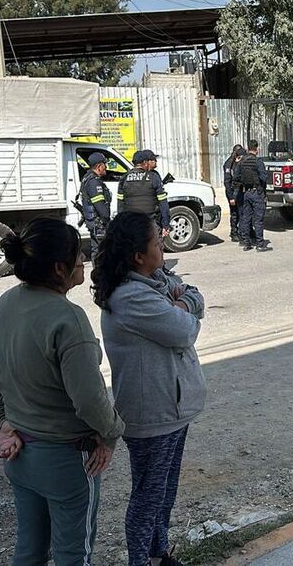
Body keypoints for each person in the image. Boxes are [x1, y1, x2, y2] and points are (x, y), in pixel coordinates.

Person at [0, 218, 124, 566]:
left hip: (20, 458)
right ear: (59, 268)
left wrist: (2, 423)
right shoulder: (68, 319)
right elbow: (89, 400)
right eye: (78, 253)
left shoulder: (4, 304)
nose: (84, 258)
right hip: (67, 462)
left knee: (29, 552)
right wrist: (113, 433)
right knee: (74, 556)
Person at [93, 212, 206, 566]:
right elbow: (185, 330)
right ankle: (141, 560)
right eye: (157, 242)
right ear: (138, 255)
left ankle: (159, 554)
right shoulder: (131, 297)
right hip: (152, 415)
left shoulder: (154, 279)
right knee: (147, 497)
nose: (163, 244)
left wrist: (182, 302)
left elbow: (195, 296)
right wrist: (183, 307)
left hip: (171, 408)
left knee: (164, 493)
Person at [119, 149, 171, 237]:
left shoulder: (124, 178)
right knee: (153, 249)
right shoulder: (153, 177)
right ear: (145, 162)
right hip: (150, 223)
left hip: (131, 224)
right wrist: (166, 224)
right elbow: (163, 203)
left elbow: (120, 205)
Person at [237, 139, 271, 252]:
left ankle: (247, 243)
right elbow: (264, 178)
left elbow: (237, 177)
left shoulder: (241, 161)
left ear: (247, 148)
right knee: (258, 220)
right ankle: (260, 244)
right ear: (257, 149)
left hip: (246, 193)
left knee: (246, 218)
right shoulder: (258, 162)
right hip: (257, 193)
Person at [80, 152, 111, 260]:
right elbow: (100, 206)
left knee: (96, 250)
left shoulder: (87, 177)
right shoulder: (94, 182)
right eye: (104, 164)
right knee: (103, 252)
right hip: (99, 224)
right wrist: (108, 221)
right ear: (99, 166)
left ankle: (98, 274)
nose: (106, 167)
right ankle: (102, 275)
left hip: (93, 222)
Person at [223, 144, 247, 243]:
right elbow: (227, 181)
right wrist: (231, 197)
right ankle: (234, 233)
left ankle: (243, 231)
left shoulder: (238, 161)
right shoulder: (229, 163)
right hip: (232, 191)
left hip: (239, 190)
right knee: (234, 213)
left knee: (241, 212)